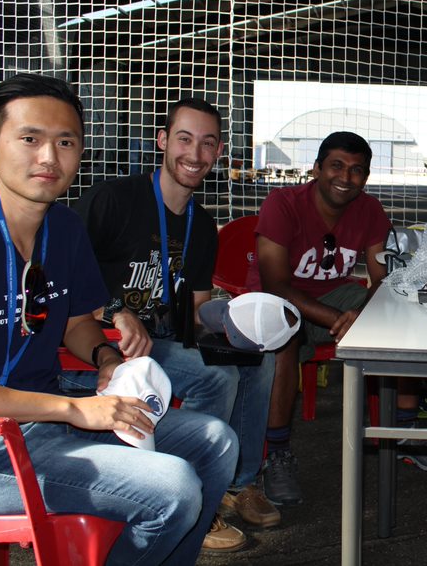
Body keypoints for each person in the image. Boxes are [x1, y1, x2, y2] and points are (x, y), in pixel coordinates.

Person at [0, 73, 238, 564]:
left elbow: (77, 320)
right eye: (30, 139)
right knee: (173, 487)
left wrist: (104, 358)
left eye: (66, 142)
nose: (49, 158)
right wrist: (76, 410)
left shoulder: (64, 227)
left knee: (215, 443)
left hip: (43, 413)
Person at [70, 98, 280, 549]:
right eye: (184, 139)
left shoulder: (202, 226)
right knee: (215, 376)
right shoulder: (114, 199)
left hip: (160, 340)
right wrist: (112, 311)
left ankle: (235, 484)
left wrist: (233, 322)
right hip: (100, 340)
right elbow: (61, 279)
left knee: (258, 360)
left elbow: (196, 312)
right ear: (163, 141)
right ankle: (193, 492)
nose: (195, 154)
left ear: (219, 151)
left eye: (207, 143)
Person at [245, 131, 427, 505]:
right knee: (284, 340)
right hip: (276, 300)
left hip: (335, 295)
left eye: (357, 170)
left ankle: (405, 430)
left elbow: (383, 278)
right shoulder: (283, 202)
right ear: (317, 168)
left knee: (400, 311)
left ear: (366, 178)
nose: (346, 177)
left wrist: (363, 312)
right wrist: (341, 317)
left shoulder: (370, 210)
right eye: (336, 166)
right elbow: (274, 283)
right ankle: (276, 454)